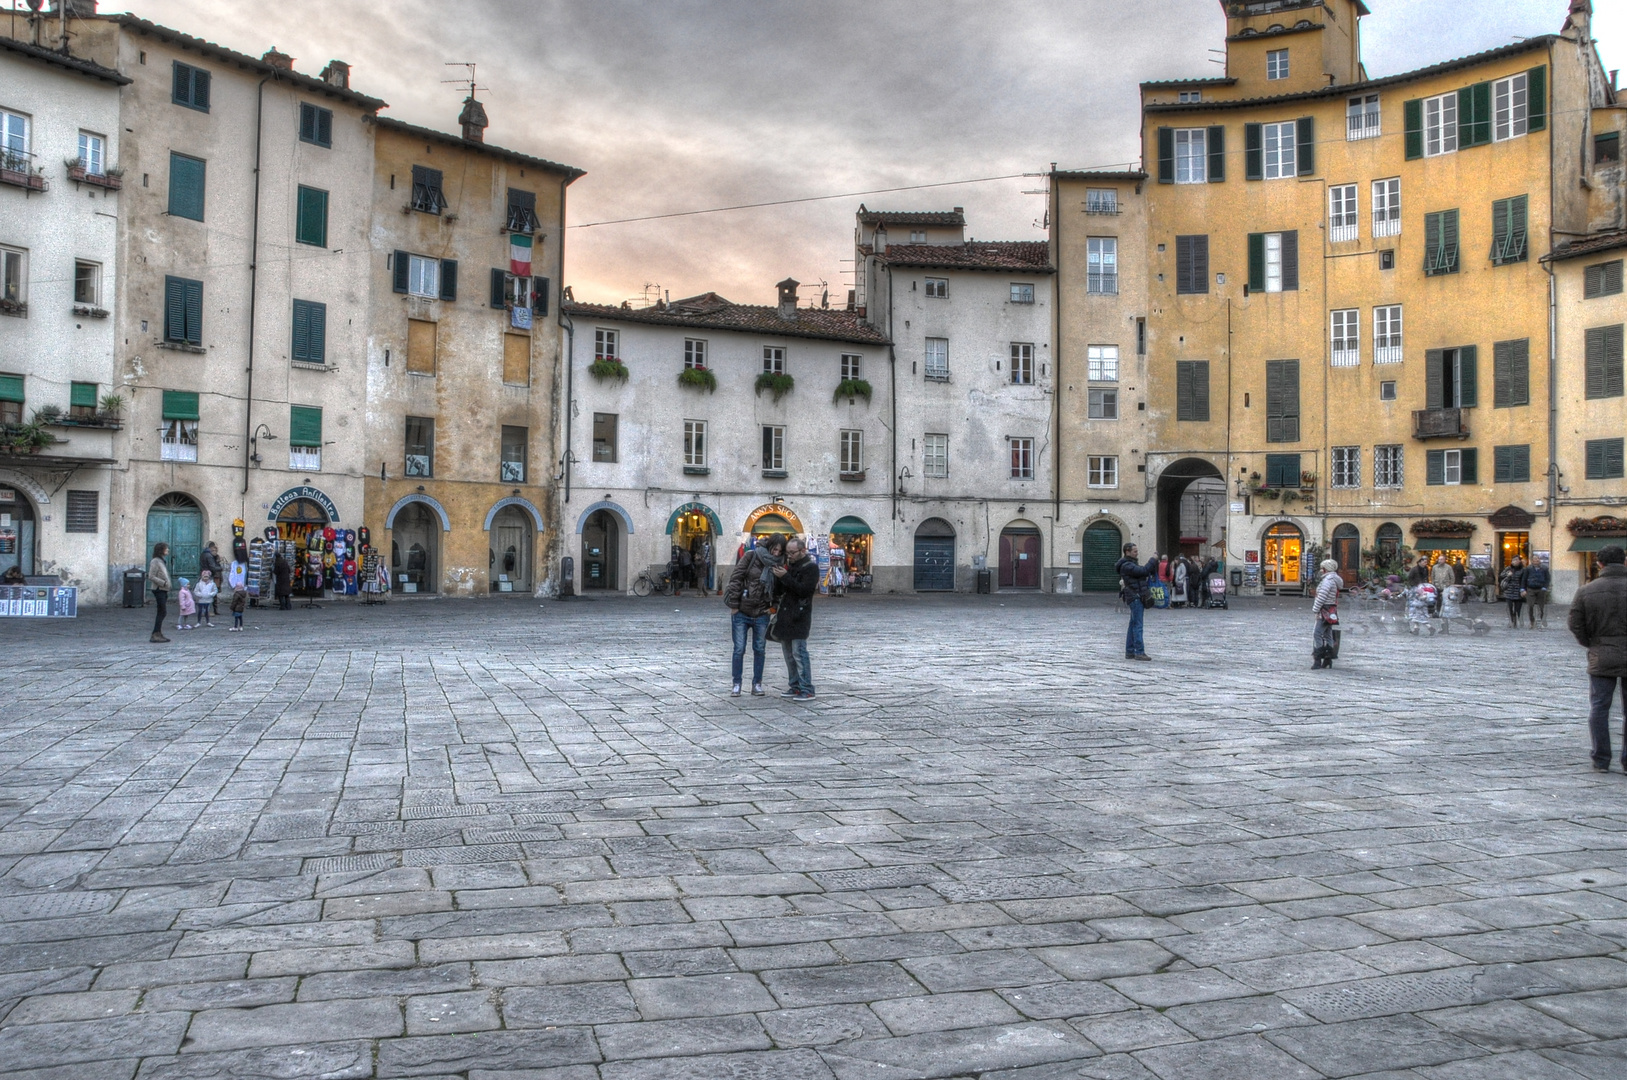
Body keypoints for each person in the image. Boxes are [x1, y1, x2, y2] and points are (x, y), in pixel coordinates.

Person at [1569, 544, 1627, 772]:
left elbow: (1575, 623)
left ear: (1599, 564)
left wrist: (1592, 643)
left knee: (1600, 707)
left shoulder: (1586, 590)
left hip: (1602, 655)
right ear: (1624, 562)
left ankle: (1601, 759)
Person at [724, 533, 784, 697]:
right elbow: (736, 578)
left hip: (762, 612)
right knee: (739, 649)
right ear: (769, 546)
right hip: (742, 611)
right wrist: (735, 605)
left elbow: (780, 589)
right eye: (775, 549)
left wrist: (774, 607)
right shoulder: (752, 555)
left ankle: (757, 684)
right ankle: (736, 684)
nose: (777, 554)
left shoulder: (779, 564)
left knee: (760, 649)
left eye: (780, 551)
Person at [771, 536, 819, 699]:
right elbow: (780, 591)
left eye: (792, 552)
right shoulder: (788, 566)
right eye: (787, 552)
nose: (789, 555)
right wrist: (778, 577)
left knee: (799, 653)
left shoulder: (810, 568)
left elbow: (804, 590)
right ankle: (795, 685)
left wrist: (785, 576)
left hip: (799, 616)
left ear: (802, 550)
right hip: (785, 615)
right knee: (788, 654)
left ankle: (807, 688)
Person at [1115, 542, 1154, 661]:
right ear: (1127, 552)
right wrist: (1153, 560)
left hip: (1134, 596)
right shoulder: (1127, 565)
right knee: (1138, 625)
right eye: (1135, 551)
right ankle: (1139, 652)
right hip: (1135, 596)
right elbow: (1143, 571)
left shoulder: (1129, 564)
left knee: (1133, 624)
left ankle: (1130, 651)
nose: (1137, 553)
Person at [1311, 558, 1342, 669]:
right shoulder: (1334, 580)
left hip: (1324, 611)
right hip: (1331, 610)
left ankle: (1318, 659)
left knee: (1317, 634)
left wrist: (1315, 609)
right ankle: (1328, 659)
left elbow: (1322, 597)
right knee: (1328, 634)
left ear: (1325, 569)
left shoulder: (1328, 581)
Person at [148, 542, 171, 643]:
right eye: (166, 549)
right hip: (159, 589)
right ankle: (155, 633)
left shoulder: (162, 561)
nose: (168, 550)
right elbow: (151, 576)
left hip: (163, 589)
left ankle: (158, 632)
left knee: (162, 611)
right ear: (161, 550)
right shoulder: (155, 561)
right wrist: (164, 583)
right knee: (162, 611)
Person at [1500, 556, 1528, 628]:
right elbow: (1501, 576)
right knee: (1509, 607)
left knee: (1517, 609)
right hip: (1509, 591)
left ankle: (1515, 619)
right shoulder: (1508, 568)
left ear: (1519, 561)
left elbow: (1524, 581)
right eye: (1513, 560)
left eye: (1516, 560)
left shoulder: (1523, 570)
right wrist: (1507, 575)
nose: (1514, 561)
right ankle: (1512, 621)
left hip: (1518, 592)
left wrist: (1524, 590)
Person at [1525, 556, 1552, 628]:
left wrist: (1544, 587)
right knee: (1530, 606)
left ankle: (1540, 620)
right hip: (1531, 589)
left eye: (1537, 559)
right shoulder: (1528, 569)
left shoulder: (1544, 568)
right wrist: (1523, 589)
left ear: (1539, 560)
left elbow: (1548, 579)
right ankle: (1532, 621)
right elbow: (1524, 579)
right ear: (1532, 561)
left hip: (1541, 589)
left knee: (1541, 607)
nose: (1536, 561)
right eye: (1534, 560)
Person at [199, 541, 223, 616]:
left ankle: (210, 610)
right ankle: (206, 611)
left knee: (208, 593)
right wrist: (220, 568)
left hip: (204, 574)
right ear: (211, 548)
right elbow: (213, 567)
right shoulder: (209, 556)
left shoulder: (203, 554)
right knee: (210, 593)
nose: (215, 551)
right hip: (209, 576)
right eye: (213, 549)